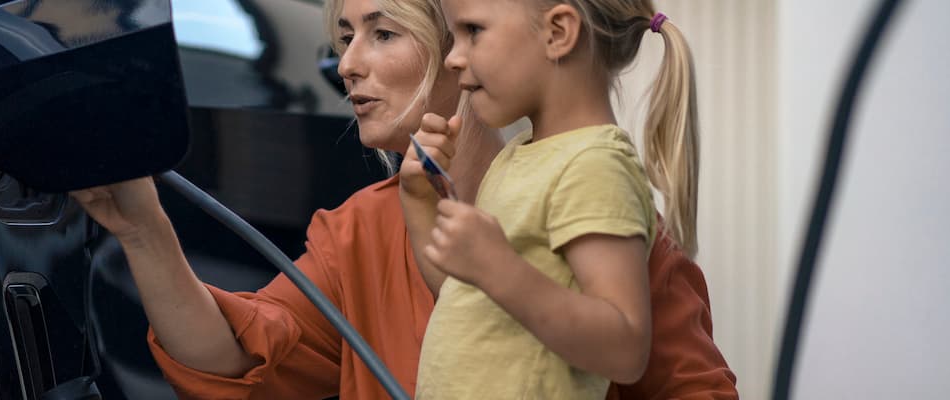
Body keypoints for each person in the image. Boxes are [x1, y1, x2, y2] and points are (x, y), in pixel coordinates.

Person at [69, 0, 737, 398]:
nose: (347, 66)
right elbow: (236, 356)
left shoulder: (595, 208)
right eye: (344, 39)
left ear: (460, 41)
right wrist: (145, 234)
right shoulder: (362, 227)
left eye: (382, 33)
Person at [405, 0, 705, 399]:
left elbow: (626, 349)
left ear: (558, 32)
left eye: (473, 31)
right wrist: (418, 198)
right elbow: (463, 296)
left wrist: (500, 269)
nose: (452, 58)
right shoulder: (518, 156)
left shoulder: (594, 165)